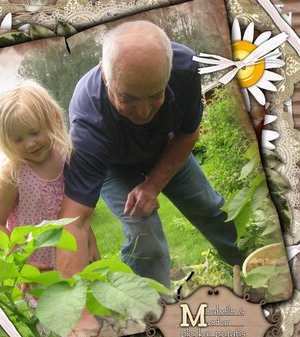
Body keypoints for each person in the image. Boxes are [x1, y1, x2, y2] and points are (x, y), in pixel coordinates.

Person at [58, 20, 245, 288]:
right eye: (128, 98)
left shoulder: (185, 69)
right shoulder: (89, 121)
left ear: (169, 74)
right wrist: (77, 308)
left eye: (155, 96)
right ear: (104, 76)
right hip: (115, 166)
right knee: (145, 240)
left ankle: (250, 265)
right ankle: (152, 314)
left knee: (210, 208)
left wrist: (153, 185)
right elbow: (74, 221)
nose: (143, 112)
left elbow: (188, 133)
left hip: (166, 147)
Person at [0, 80, 98, 274]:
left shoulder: (67, 158)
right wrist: (19, 261)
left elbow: (79, 208)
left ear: (52, 118)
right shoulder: (13, 174)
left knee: (87, 298)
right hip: (39, 265)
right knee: (52, 303)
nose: (30, 144)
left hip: (75, 249)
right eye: (18, 139)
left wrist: (90, 241)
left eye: (34, 132)